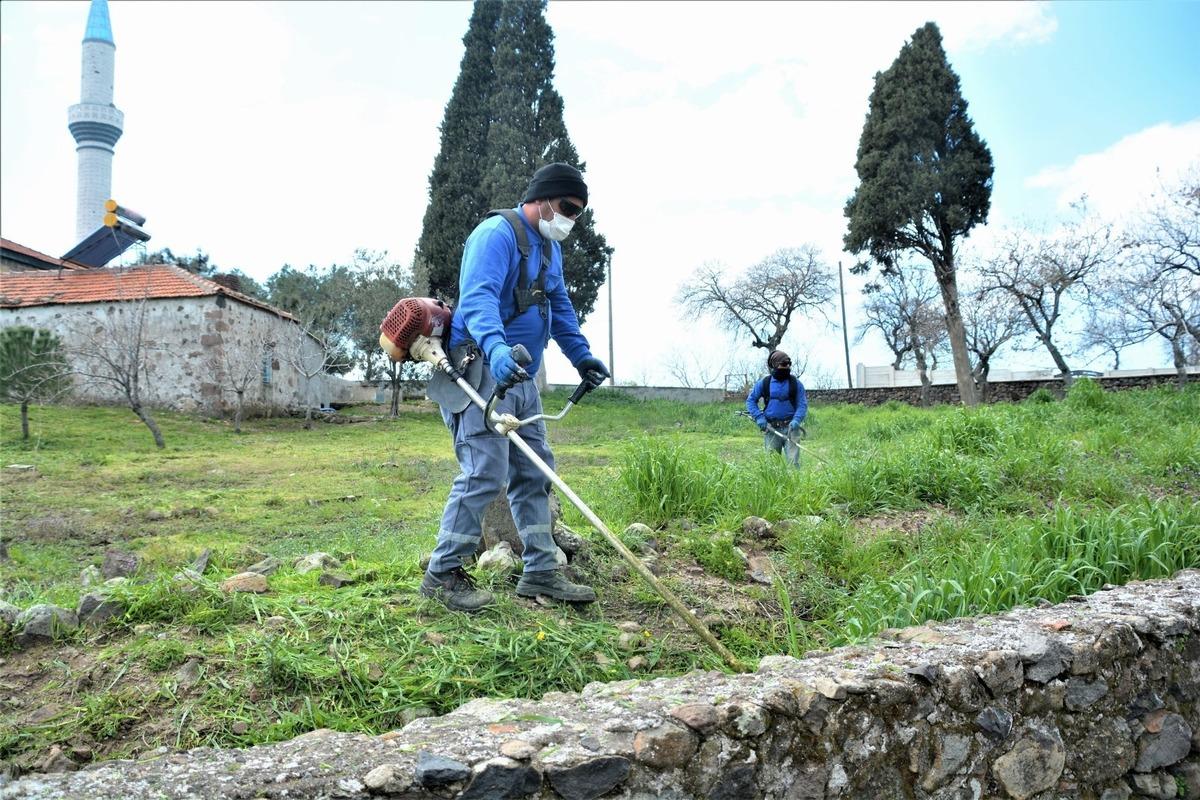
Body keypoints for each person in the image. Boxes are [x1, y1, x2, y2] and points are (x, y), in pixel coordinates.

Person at [420, 162, 610, 612]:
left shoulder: (548, 250)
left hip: (521, 376)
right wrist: (498, 350)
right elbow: (480, 298)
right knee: (484, 470)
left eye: (579, 214)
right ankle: (442, 575)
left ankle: (541, 571)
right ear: (542, 198)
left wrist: (581, 355)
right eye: (567, 207)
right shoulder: (496, 234)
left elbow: (559, 307)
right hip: (482, 368)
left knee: (534, 472)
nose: (571, 219)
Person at [745, 349, 807, 467]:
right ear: (774, 365)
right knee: (772, 466)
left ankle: (795, 485)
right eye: (784, 364)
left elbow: (802, 404)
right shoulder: (764, 383)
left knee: (793, 464)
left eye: (789, 364)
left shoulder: (796, 383)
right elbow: (751, 401)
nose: (787, 366)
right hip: (771, 429)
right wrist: (759, 418)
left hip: (791, 429)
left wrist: (796, 420)